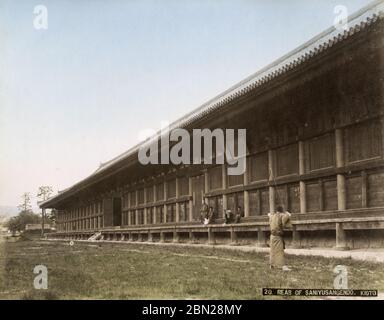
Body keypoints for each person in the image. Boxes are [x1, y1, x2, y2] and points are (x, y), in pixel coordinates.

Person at [268, 205, 292, 271]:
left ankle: (272, 265)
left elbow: (269, 216)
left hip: (272, 236)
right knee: (280, 251)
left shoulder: (272, 216)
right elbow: (284, 220)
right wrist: (288, 214)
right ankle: (283, 266)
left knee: (272, 251)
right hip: (277, 236)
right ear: (281, 210)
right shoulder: (281, 215)